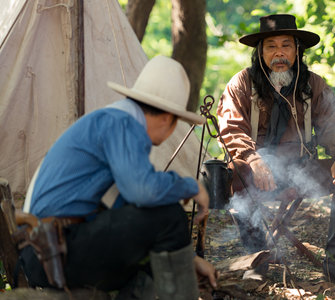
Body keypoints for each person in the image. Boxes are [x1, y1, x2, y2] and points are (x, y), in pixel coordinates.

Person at [20, 55, 218, 299]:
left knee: (150, 253)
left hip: (50, 250)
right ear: (168, 119)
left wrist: (189, 259)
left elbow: (127, 206)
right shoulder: (122, 123)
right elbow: (142, 192)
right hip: (50, 250)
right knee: (169, 215)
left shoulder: (115, 121)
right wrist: (191, 186)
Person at [217, 14, 335, 285]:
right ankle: (256, 257)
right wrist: (253, 158)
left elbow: (332, 125)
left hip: (301, 170)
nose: (279, 53)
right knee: (232, 173)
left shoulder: (313, 85)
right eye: (271, 46)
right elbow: (231, 130)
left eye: (286, 45)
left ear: (298, 50)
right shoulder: (241, 84)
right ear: (260, 52)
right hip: (256, 172)